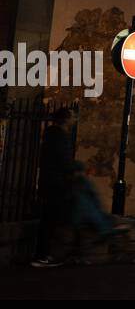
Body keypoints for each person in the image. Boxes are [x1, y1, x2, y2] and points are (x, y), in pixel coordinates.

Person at [32, 108, 76, 268]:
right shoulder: (59, 137)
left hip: (49, 181)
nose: (74, 119)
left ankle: (45, 253)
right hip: (55, 183)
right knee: (51, 220)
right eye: (72, 117)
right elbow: (63, 160)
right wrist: (74, 169)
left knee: (50, 219)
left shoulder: (50, 135)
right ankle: (43, 255)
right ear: (65, 119)